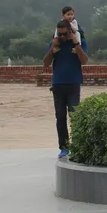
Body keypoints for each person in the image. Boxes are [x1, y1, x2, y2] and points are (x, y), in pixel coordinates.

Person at [43, 20, 88, 158]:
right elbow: (45, 63)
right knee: (60, 116)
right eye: (60, 34)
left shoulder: (79, 42)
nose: (62, 37)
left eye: (65, 34)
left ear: (70, 31)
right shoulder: (55, 44)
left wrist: (76, 44)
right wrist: (52, 49)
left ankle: (78, 145)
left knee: (74, 115)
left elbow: (84, 60)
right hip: (58, 84)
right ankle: (64, 147)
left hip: (73, 83)